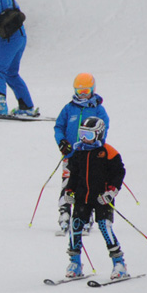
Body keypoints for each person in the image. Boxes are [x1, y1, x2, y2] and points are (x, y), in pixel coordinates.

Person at [62, 117, 128, 280]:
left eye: (89, 135)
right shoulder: (78, 152)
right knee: (76, 226)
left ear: (98, 134)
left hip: (102, 197)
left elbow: (119, 173)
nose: (84, 138)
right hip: (82, 197)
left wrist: (112, 191)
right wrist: (69, 190)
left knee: (105, 227)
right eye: (82, 134)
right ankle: (75, 262)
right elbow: (74, 174)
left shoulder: (107, 152)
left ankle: (118, 263)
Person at [53, 73, 110, 234]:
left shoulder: (98, 109)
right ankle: (64, 213)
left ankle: (86, 216)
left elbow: (104, 128)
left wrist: (97, 145)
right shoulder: (69, 108)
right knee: (67, 183)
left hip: (89, 156)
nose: (82, 94)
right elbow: (58, 127)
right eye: (79, 91)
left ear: (93, 89)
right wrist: (62, 142)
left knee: (85, 185)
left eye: (86, 91)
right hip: (70, 155)